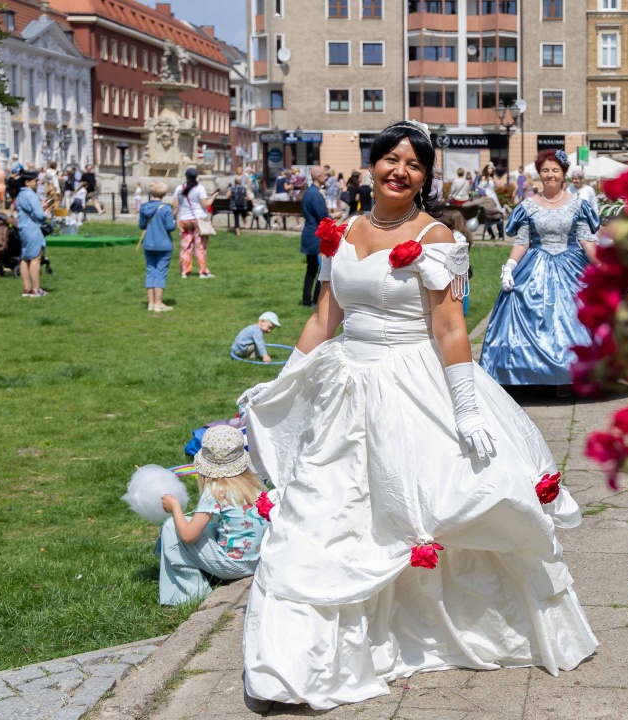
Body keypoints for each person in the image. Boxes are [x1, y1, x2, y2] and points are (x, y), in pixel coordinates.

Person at [235, 120, 597, 710]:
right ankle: (299, 661)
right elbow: (325, 317)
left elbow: (450, 328)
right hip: (346, 384)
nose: (400, 171)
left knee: (423, 502)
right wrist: (284, 382)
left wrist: (469, 408)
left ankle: (418, 628)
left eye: (414, 164)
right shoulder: (342, 230)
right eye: (391, 160)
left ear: (426, 176)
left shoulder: (437, 237)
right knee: (327, 508)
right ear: (373, 165)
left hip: (412, 379)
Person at [480, 149, 599, 394]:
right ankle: (532, 375)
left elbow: (587, 240)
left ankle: (568, 377)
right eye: (545, 170)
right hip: (536, 265)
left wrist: (602, 268)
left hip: (571, 265)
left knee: (573, 318)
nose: (550, 175)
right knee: (526, 311)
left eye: (555, 170)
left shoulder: (578, 204)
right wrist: (510, 267)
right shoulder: (529, 206)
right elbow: (522, 241)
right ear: (539, 173)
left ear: (564, 173)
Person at [157, 426, 270, 606]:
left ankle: (190, 594)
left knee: (172, 526)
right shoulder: (253, 482)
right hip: (259, 560)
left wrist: (175, 507)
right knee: (208, 527)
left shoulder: (215, 490)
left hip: (234, 566)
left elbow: (188, 536)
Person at [139, 181, 177, 312]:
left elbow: (141, 225)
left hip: (148, 243)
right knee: (160, 273)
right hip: (164, 244)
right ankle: (158, 303)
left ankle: (151, 303)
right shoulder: (166, 208)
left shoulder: (144, 207)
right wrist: (175, 221)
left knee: (150, 271)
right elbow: (169, 227)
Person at [12, 170, 49, 298]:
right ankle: (35, 290)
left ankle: (27, 289)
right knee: (35, 258)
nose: (37, 183)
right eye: (35, 181)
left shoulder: (20, 195)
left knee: (25, 258)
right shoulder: (30, 194)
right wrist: (45, 212)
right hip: (33, 229)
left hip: (23, 228)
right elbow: (39, 215)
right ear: (27, 182)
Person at [175, 168, 213, 278]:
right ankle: (203, 271)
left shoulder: (179, 188)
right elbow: (205, 205)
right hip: (198, 220)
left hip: (184, 219)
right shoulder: (200, 188)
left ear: (186, 177)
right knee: (200, 246)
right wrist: (213, 198)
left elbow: (176, 205)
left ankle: (185, 271)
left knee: (185, 247)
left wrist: (174, 219)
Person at [299, 166, 329, 307]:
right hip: (316, 236)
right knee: (321, 270)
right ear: (318, 177)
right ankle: (315, 301)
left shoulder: (308, 192)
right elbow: (322, 216)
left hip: (308, 234)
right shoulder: (316, 194)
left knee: (310, 270)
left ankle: (306, 299)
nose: (326, 177)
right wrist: (333, 216)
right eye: (324, 175)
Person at [442, 209, 473, 317]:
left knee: (459, 289)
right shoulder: (465, 234)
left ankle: (461, 310)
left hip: (457, 268)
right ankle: (463, 310)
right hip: (465, 268)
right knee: (462, 288)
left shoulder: (457, 237)